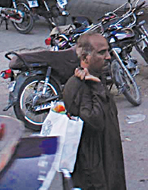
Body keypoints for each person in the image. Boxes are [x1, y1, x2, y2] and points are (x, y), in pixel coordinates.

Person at [62, 33, 126, 190]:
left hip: (106, 157)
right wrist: (97, 87)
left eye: (107, 51)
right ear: (85, 58)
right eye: (102, 52)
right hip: (93, 168)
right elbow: (95, 121)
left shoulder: (94, 78)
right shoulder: (81, 85)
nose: (108, 57)